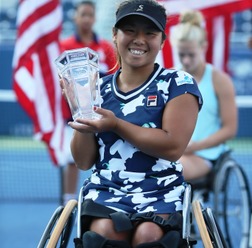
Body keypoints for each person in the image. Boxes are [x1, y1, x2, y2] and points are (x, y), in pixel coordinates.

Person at [61, 0, 203, 247]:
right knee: (103, 233)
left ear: (162, 41)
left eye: (150, 32)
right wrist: (81, 114)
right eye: (130, 30)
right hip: (107, 192)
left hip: (162, 192)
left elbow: (172, 147)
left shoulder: (178, 83)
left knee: (148, 236)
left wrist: (115, 124)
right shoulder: (98, 88)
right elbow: (83, 161)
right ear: (115, 35)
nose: (139, 39)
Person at [60, 1, 117, 205]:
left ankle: (104, 197)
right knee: (71, 159)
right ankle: (69, 202)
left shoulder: (104, 47)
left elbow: (114, 76)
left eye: (90, 15)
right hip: (72, 114)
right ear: (75, 17)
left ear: (94, 18)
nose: (86, 19)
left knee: (103, 154)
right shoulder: (64, 46)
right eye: (82, 14)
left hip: (100, 113)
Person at [171, 10, 237, 181]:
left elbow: (230, 129)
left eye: (191, 55)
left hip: (204, 155)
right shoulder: (169, 77)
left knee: (170, 171)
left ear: (203, 47)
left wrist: (194, 147)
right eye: (181, 54)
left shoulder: (220, 80)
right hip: (173, 153)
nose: (185, 61)